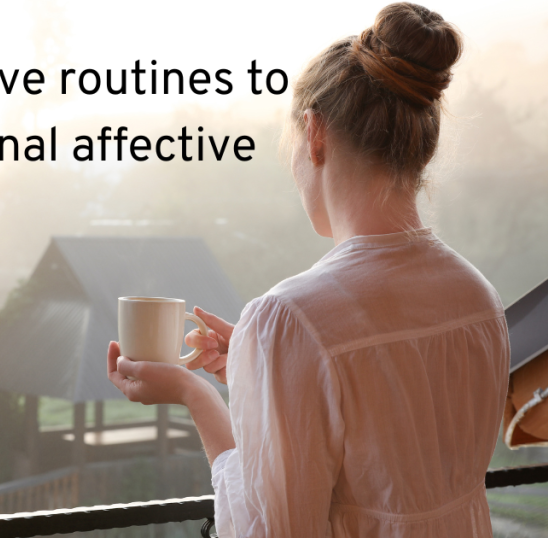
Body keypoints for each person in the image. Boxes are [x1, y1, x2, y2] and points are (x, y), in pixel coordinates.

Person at [106, 3, 509, 537]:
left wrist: (195, 394)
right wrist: (258, 375)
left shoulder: (292, 319)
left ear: (315, 135)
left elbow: (271, 532)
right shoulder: (477, 298)